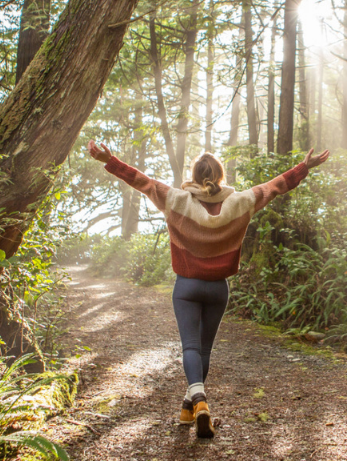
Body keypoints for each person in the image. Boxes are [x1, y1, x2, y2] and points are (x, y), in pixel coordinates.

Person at [87, 140, 330, 438]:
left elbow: (141, 181)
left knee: (190, 347)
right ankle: (189, 408)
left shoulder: (175, 199)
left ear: (194, 174)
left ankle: (199, 401)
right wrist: (305, 167)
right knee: (203, 349)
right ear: (220, 175)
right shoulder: (241, 201)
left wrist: (110, 160)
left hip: (186, 286)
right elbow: (275, 186)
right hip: (218, 289)